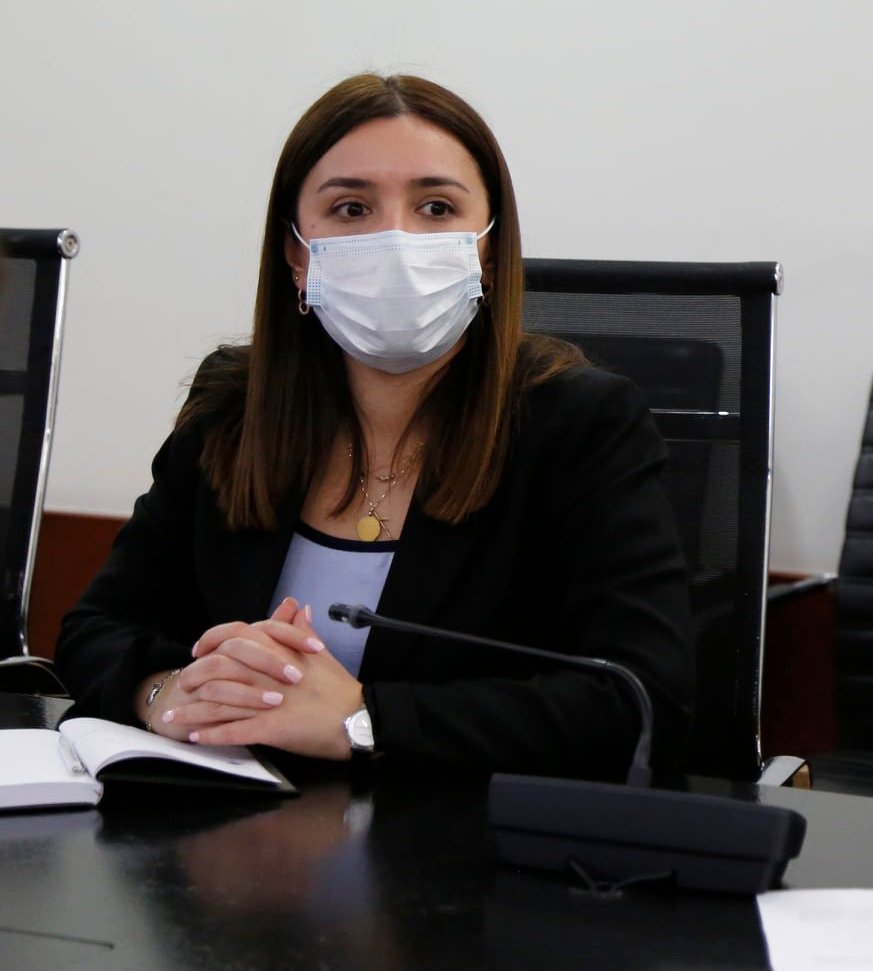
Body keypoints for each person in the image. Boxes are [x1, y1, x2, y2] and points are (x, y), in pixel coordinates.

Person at [56, 74, 691, 779]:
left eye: (436, 207)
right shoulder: (234, 404)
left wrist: (364, 720)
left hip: (460, 834)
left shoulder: (580, 423)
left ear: (487, 250)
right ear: (297, 253)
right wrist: (168, 692)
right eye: (351, 208)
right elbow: (96, 628)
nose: (395, 239)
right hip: (231, 820)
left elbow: (640, 699)